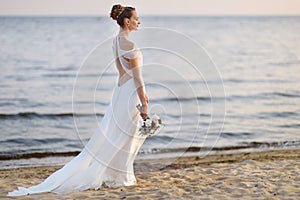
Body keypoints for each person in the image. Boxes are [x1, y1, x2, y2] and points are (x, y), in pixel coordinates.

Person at [7, 4, 148, 196]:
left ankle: (120, 175)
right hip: (130, 91)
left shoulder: (115, 41)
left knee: (118, 134)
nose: (139, 21)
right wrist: (144, 101)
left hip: (120, 90)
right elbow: (138, 78)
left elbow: (121, 71)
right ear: (127, 21)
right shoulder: (131, 46)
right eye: (136, 18)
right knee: (127, 136)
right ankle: (122, 177)